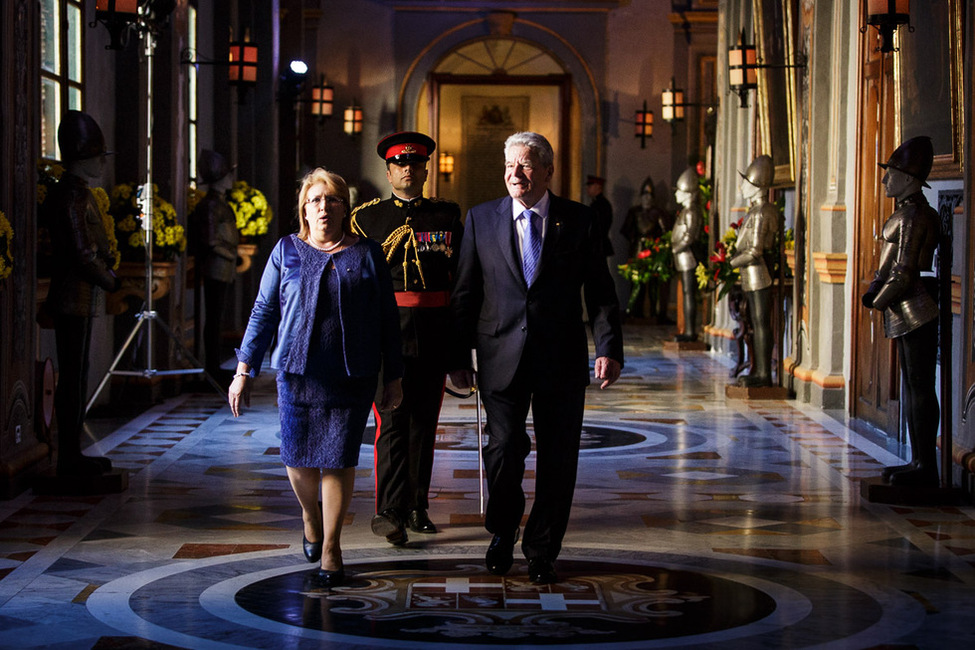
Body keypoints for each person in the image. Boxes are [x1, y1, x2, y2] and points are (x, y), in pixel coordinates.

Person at [449, 132, 624, 585]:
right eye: (509, 165)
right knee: (504, 449)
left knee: (559, 459)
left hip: (560, 358)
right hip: (498, 354)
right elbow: (465, 293)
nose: (514, 173)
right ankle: (503, 529)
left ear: (547, 170)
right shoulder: (480, 219)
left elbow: (601, 293)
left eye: (525, 165)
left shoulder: (580, 220)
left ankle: (543, 548)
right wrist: (457, 355)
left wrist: (608, 347)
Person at [228, 168, 404, 589]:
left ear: (345, 207)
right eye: (315, 200)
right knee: (297, 457)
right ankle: (310, 516)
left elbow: (387, 319)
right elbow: (263, 310)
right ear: (304, 209)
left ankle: (331, 547)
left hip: (351, 374)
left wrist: (393, 375)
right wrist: (243, 370)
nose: (324, 207)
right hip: (296, 371)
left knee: (340, 459)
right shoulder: (286, 250)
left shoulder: (367, 253)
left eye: (332, 200)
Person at [350, 132, 464, 545]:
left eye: (416, 164)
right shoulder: (366, 220)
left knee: (424, 424)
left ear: (426, 169)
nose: (408, 170)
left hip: (434, 331)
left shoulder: (447, 216)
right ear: (389, 171)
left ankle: (417, 506)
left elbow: (459, 285)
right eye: (400, 164)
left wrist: (459, 353)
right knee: (391, 422)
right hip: (388, 334)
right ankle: (389, 509)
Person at [43, 110, 120, 477]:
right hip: (72, 296)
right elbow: (80, 251)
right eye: (99, 156)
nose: (102, 163)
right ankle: (68, 457)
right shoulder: (69, 196)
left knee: (79, 375)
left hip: (83, 297)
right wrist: (111, 280)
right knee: (71, 377)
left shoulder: (80, 194)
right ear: (86, 158)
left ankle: (74, 453)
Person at [861, 136, 940, 487]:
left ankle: (926, 467)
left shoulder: (914, 215)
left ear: (908, 178)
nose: (884, 180)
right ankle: (918, 461)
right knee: (912, 387)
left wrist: (875, 300)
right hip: (904, 307)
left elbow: (905, 272)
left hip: (915, 307)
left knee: (920, 388)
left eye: (890, 173)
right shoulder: (907, 212)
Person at [190, 149, 239, 380]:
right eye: (228, 175)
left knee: (217, 317)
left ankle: (214, 365)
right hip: (215, 267)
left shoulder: (219, 204)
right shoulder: (210, 206)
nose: (231, 179)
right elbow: (210, 240)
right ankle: (211, 366)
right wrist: (230, 255)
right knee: (213, 318)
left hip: (222, 268)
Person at [729, 155, 778, 387]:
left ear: (757, 185)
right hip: (750, 273)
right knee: (755, 323)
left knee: (760, 323)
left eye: (746, 182)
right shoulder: (754, 211)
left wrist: (730, 264)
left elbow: (756, 250)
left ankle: (764, 374)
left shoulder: (762, 212)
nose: (742, 186)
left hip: (759, 272)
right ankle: (757, 369)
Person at [620, 177, 673, 321]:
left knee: (655, 284)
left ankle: (655, 313)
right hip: (638, 248)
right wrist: (635, 239)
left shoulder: (659, 213)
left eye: (650, 196)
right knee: (637, 282)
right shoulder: (634, 212)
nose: (647, 198)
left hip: (653, 251)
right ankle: (634, 311)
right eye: (645, 195)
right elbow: (626, 229)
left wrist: (656, 244)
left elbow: (665, 231)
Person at [671, 167, 706, 342]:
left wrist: (676, 248)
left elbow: (690, 236)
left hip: (688, 257)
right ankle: (687, 329)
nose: (676, 194)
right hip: (683, 258)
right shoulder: (686, 210)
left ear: (687, 193)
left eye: (679, 191)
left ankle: (691, 331)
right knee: (686, 293)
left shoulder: (692, 211)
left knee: (689, 293)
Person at [585, 175, 614, 257]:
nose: (588, 188)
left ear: (598, 186)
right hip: (596, 245)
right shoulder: (598, 204)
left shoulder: (601, 205)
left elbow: (599, 227)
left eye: (590, 186)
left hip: (597, 246)